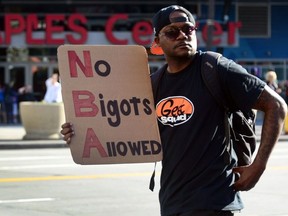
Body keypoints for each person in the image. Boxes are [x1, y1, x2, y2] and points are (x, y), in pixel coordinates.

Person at [60, 5, 287, 216]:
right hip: (171, 203)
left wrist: (258, 166)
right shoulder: (153, 84)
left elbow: (276, 106)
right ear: (157, 41)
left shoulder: (216, 68)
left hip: (215, 203)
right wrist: (80, 131)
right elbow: (124, 130)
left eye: (188, 29)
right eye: (172, 32)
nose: (182, 35)